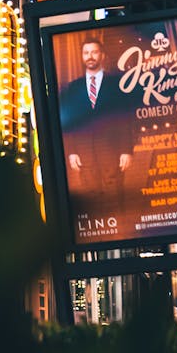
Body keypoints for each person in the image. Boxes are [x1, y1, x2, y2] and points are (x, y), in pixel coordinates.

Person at [59, 39, 134, 233]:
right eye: (86, 53)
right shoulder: (73, 87)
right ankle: (98, 233)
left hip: (112, 149)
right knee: (90, 193)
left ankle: (118, 231)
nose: (90, 56)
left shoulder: (115, 84)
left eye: (94, 52)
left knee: (114, 193)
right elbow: (70, 122)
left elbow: (124, 118)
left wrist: (127, 150)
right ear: (82, 56)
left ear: (102, 55)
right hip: (84, 151)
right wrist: (72, 152)